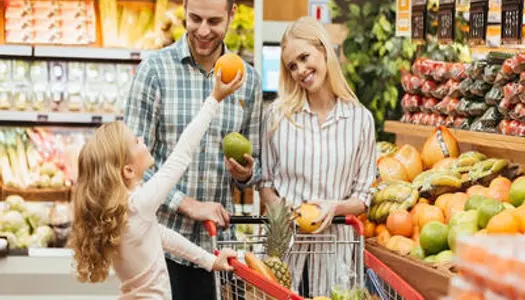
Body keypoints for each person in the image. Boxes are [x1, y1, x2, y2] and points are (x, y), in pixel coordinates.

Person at [124, 0, 263, 298]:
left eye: (213, 22)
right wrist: (186, 203)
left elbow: (255, 170)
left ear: (232, 14)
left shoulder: (248, 81)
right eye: (195, 18)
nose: (202, 30)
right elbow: (127, 169)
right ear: (184, 9)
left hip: (216, 248)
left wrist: (246, 172)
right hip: (158, 245)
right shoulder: (154, 71)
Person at [69, 70, 244, 299]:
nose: (142, 140)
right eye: (136, 141)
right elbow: (182, 154)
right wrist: (214, 99)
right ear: (128, 170)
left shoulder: (127, 211)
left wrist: (210, 261)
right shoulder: (137, 205)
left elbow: (162, 236)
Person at [259, 16, 377, 297]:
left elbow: (363, 197)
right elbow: (264, 182)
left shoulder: (360, 119)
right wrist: (281, 210)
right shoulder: (277, 117)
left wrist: (333, 207)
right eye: (292, 66)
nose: (301, 70)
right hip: (285, 256)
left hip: (335, 255)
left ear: (323, 49)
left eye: (304, 57)